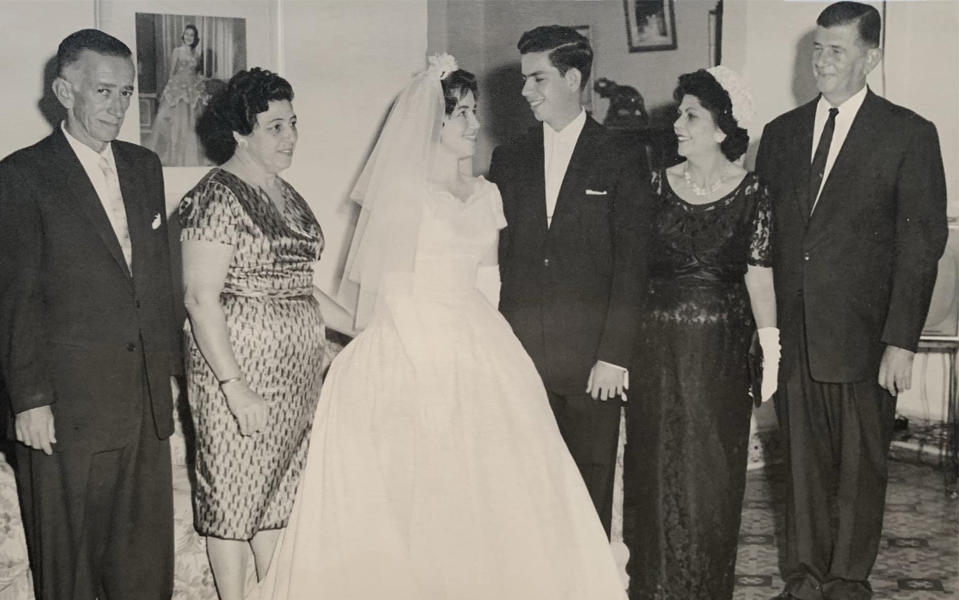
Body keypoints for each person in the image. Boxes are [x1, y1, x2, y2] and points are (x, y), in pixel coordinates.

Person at [253, 54, 626, 600]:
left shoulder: (488, 193)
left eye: (474, 112)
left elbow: (490, 283)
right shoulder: (405, 197)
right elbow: (389, 294)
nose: (475, 125)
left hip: (479, 339)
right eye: (462, 115)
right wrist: (430, 365)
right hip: (411, 341)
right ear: (434, 124)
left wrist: (498, 354)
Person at [755, 3, 947, 599]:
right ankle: (805, 578)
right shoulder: (781, 135)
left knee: (861, 468)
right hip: (794, 335)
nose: (821, 61)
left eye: (836, 50)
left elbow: (921, 248)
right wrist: (764, 334)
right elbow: (768, 241)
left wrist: (901, 341)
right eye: (817, 48)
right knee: (803, 466)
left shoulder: (909, 134)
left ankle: (846, 581)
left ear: (872, 57)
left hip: (866, 337)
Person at [0, 29, 182, 600]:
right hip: (65, 412)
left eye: (127, 93)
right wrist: (30, 400)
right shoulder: (22, 175)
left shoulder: (144, 166)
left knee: (143, 569)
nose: (118, 106)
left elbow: (156, 283)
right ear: (64, 91)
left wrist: (168, 379)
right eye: (104, 91)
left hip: (141, 405)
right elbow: (14, 297)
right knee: (70, 572)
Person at [181, 67, 348, 600]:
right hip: (238, 376)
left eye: (293, 123)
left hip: (299, 375)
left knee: (279, 497)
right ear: (240, 132)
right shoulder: (215, 197)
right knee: (233, 499)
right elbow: (200, 298)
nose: (291, 136)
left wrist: (367, 328)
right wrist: (233, 386)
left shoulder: (289, 195)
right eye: (275, 126)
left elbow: (301, 287)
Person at [621, 66, 779, 600]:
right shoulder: (653, 185)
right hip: (654, 353)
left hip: (720, 357)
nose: (679, 126)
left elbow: (759, 272)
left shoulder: (753, 191)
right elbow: (632, 273)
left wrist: (772, 347)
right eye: (680, 115)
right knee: (654, 467)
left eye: (692, 116)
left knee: (709, 474)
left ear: (721, 127)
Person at [488, 24, 650, 535]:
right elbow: (498, 258)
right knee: (521, 488)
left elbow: (633, 265)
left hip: (591, 364)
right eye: (523, 80)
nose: (524, 91)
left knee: (589, 488)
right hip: (520, 360)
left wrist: (614, 355)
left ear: (573, 78)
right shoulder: (507, 158)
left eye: (537, 79)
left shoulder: (623, 156)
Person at [149, 24, 211, 166]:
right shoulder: (177, 51)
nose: (189, 37)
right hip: (178, 87)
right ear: (183, 36)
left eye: (192, 35)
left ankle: (191, 155)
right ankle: (173, 153)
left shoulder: (196, 54)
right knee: (174, 121)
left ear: (195, 38)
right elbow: (172, 72)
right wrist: (168, 89)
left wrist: (202, 80)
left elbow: (197, 73)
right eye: (187, 34)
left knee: (192, 122)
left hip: (193, 88)